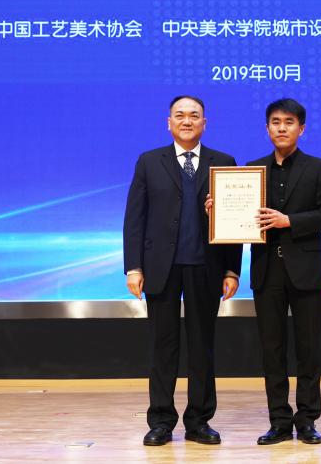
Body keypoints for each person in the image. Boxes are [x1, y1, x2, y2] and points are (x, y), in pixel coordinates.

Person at [122, 95, 242, 447]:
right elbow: (134, 218)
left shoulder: (224, 162)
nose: (187, 121)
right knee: (162, 346)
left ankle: (199, 421)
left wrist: (232, 269)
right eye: (180, 115)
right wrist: (133, 267)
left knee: (202, 346)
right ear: (168, 122)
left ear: (205, 122)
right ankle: (161, 421)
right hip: (160, 267)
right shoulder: (149, 161)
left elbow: (235, 220)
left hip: (207, 265)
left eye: (194, 115)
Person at [248, 98, 321, 445]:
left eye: (289, 122)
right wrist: (218, 210)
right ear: (266, 128)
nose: (281, 128)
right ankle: (279, 422)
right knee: (271, 350)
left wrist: (290, 221)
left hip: (306, 270)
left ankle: (307, 420)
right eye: (275, 122)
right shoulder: (252, 170)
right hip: (266, 270)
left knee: (308, 349)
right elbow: (240, 217)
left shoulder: (318, 167)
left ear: (301, 128)